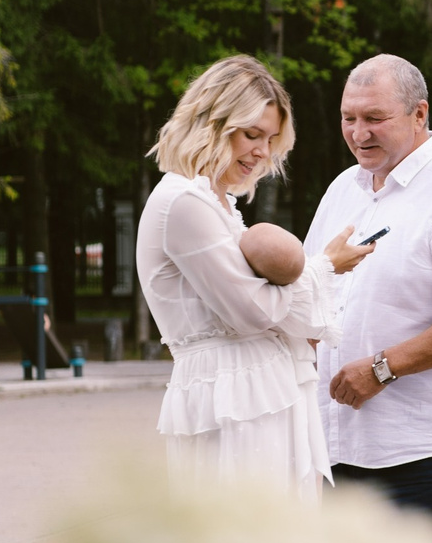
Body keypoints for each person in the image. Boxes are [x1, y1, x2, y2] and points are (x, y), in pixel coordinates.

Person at [304, 54, 432, 543]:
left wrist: (382, 367)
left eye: (375, 119)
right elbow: (312, 292)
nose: (359, 133)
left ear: (420, 115)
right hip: (340, 448)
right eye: (348, 118)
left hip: (423, 452)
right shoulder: (343, 189)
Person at [137, 56, 374, 495]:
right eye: (252, 135)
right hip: (231, 395)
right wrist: (324, 267)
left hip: (255, 389)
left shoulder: (219, 205)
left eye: (270, 140)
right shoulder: (184, 201)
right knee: (241, 541)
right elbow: (250, 311)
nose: (262, 152)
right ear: (212, 121)